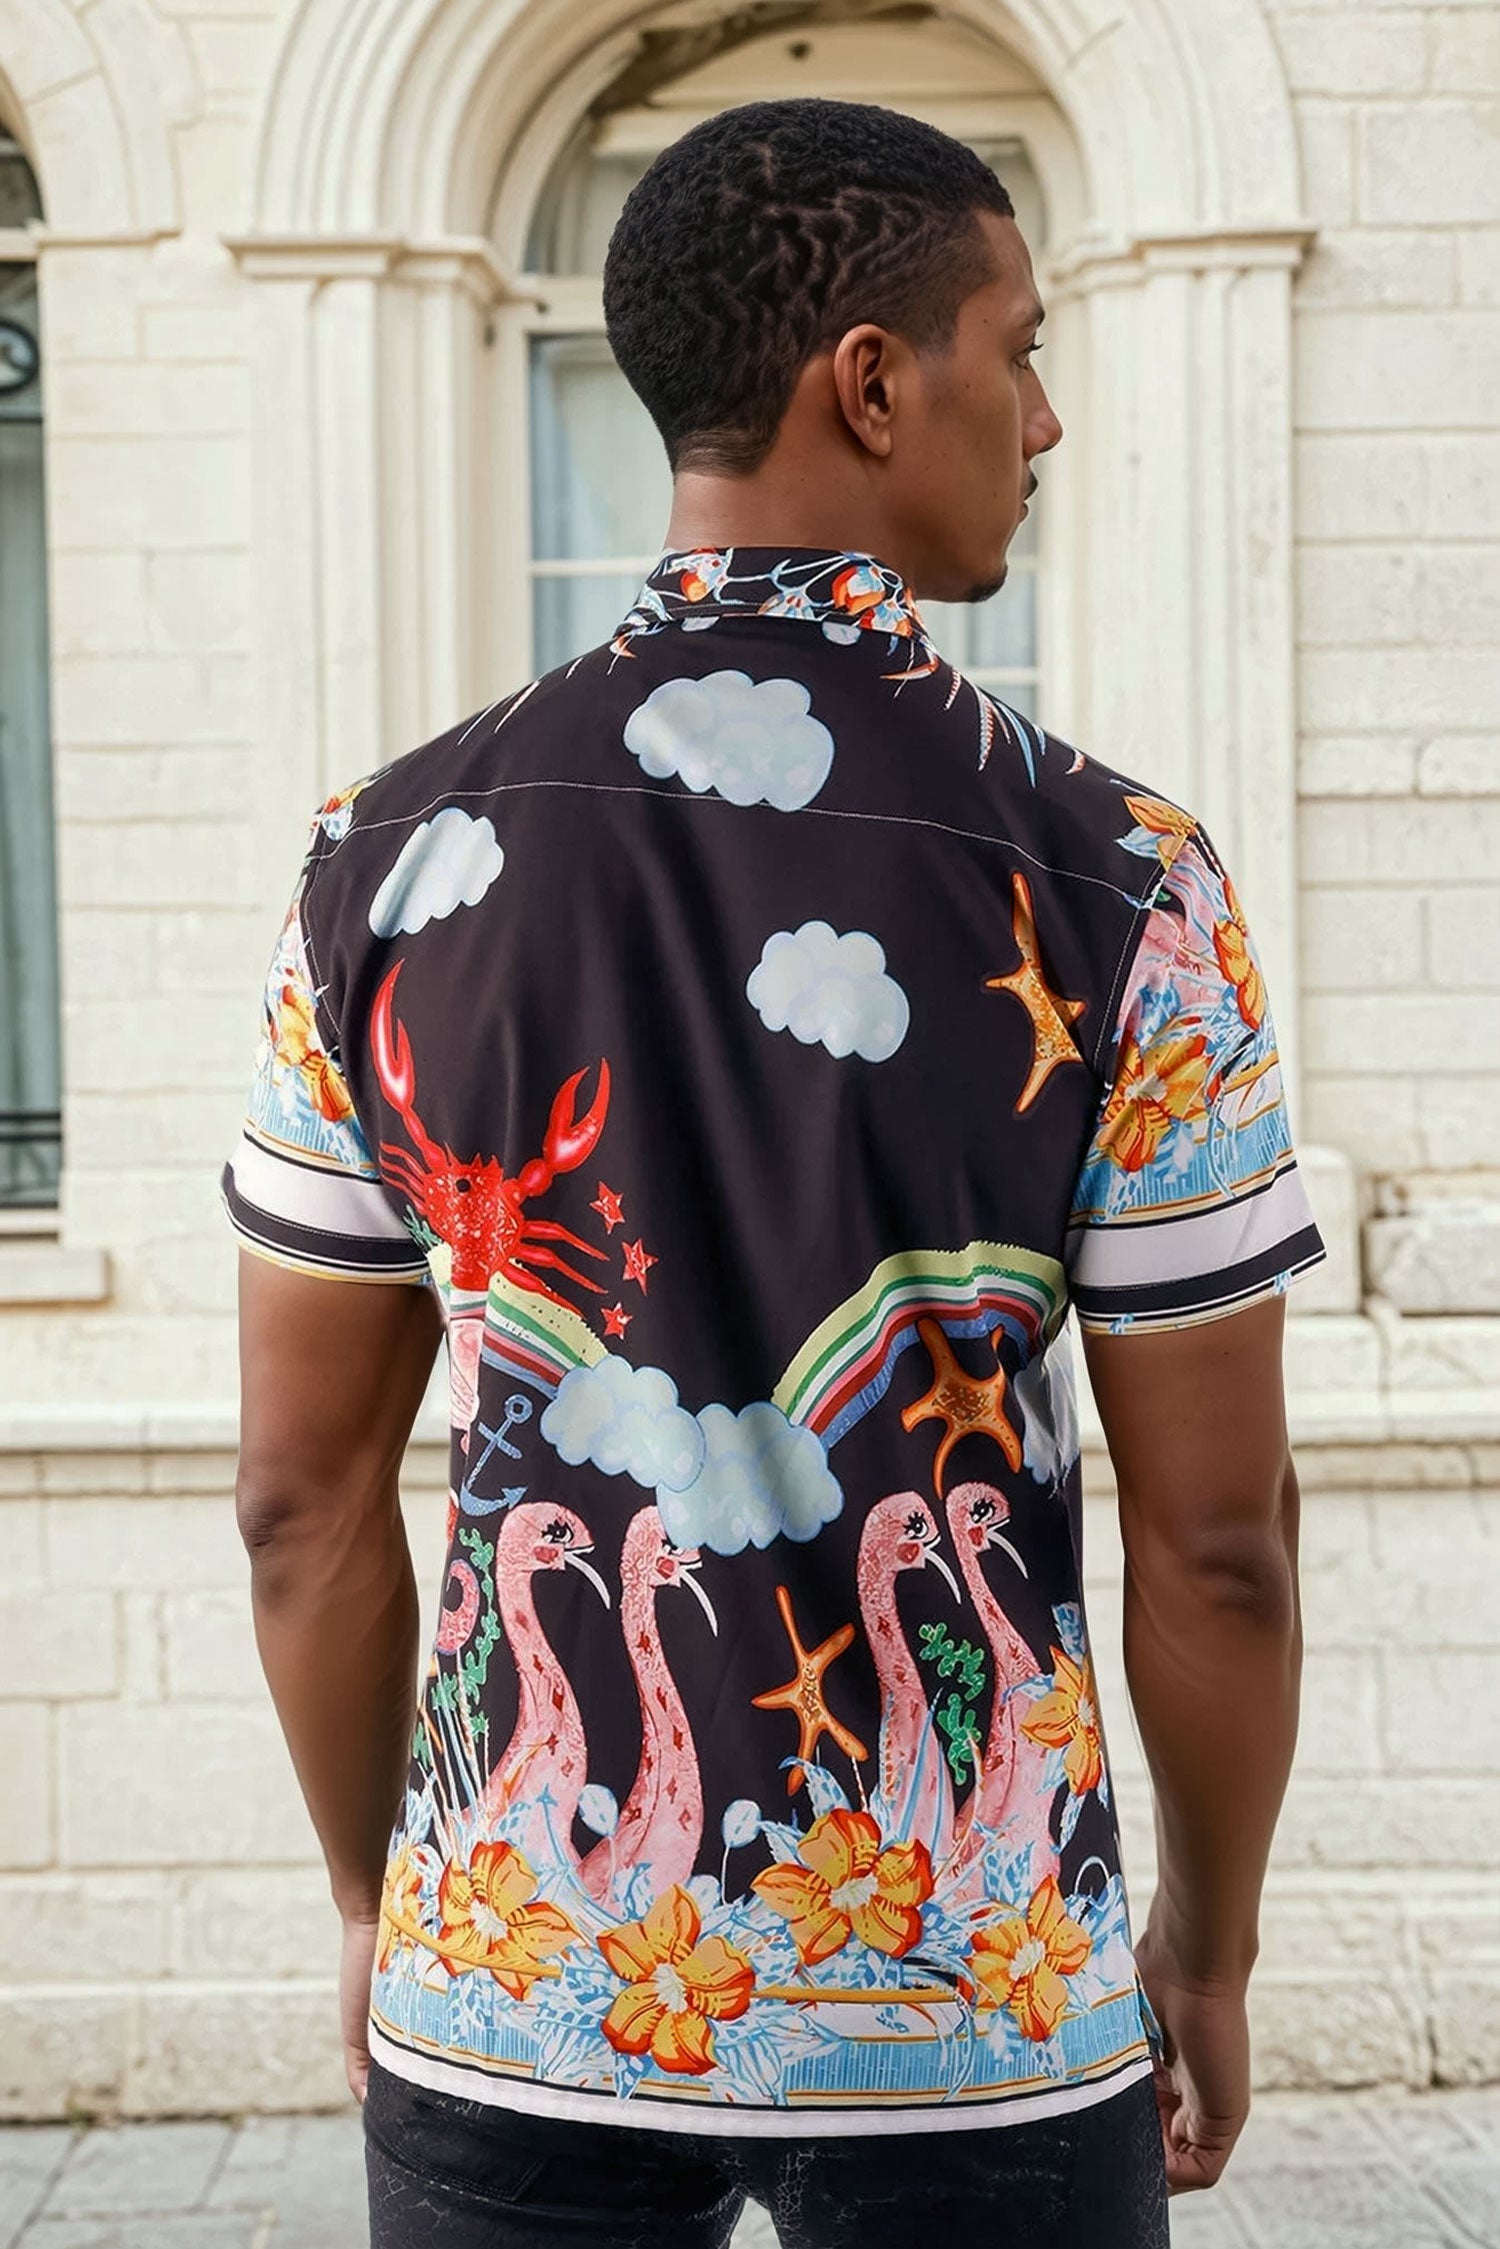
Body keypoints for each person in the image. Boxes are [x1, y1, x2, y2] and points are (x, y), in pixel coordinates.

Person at [223, 97, 1321, 2249]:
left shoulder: (380, 865)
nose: (1050, 417)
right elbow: (1223, 1546)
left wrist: (383, 1896)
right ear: (874, 383)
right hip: (984, 2012)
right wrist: (1205, 1952)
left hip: (516, 1995)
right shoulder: (1120, 883)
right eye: (1022, 349)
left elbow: (295, 1502)